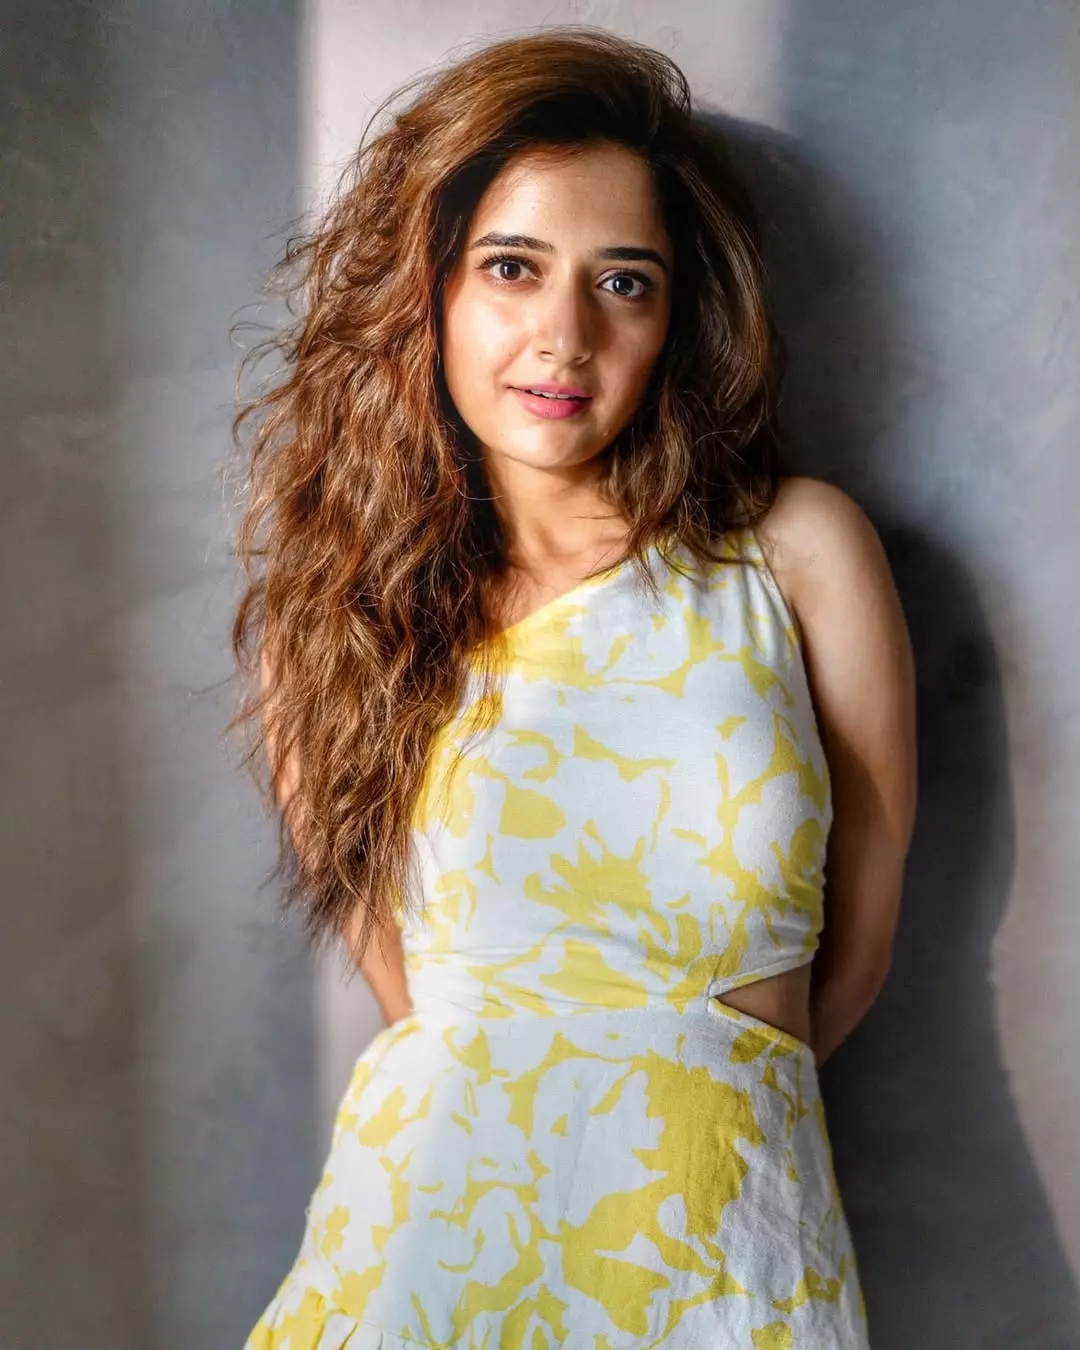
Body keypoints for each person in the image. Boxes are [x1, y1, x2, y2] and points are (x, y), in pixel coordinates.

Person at [232, 26, 916, 1350]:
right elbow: (425, 1013)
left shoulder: (796, 555)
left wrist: (700, 1113)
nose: (564, 335)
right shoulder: (338, 627)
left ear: (676, 320)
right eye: (512, 267)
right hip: (426, 1263)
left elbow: (861, 948)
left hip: (729, 1258)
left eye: (623, 282)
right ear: (431, 289)